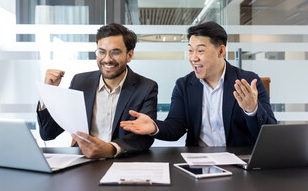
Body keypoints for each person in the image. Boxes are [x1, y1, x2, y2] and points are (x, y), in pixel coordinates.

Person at [121, 21, 277, 147]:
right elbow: (176, 127)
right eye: (190, 50)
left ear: (221, 51)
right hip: (199, 164)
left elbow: (269, 135)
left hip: (239, 163)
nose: (193, 58)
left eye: (200, 51)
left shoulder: (247, 82)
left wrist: (252, 110)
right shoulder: (184, 85)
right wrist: (155, 127)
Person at [37, 23, 158, 158]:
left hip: (122, 161)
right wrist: (48, 92)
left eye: (115, 52)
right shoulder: (80, 82)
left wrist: (111, 149)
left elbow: (144, 137)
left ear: (129, 55)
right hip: (83, 161)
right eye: (102, 52)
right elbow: (48, 133)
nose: (107, 59)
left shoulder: (146, 87)